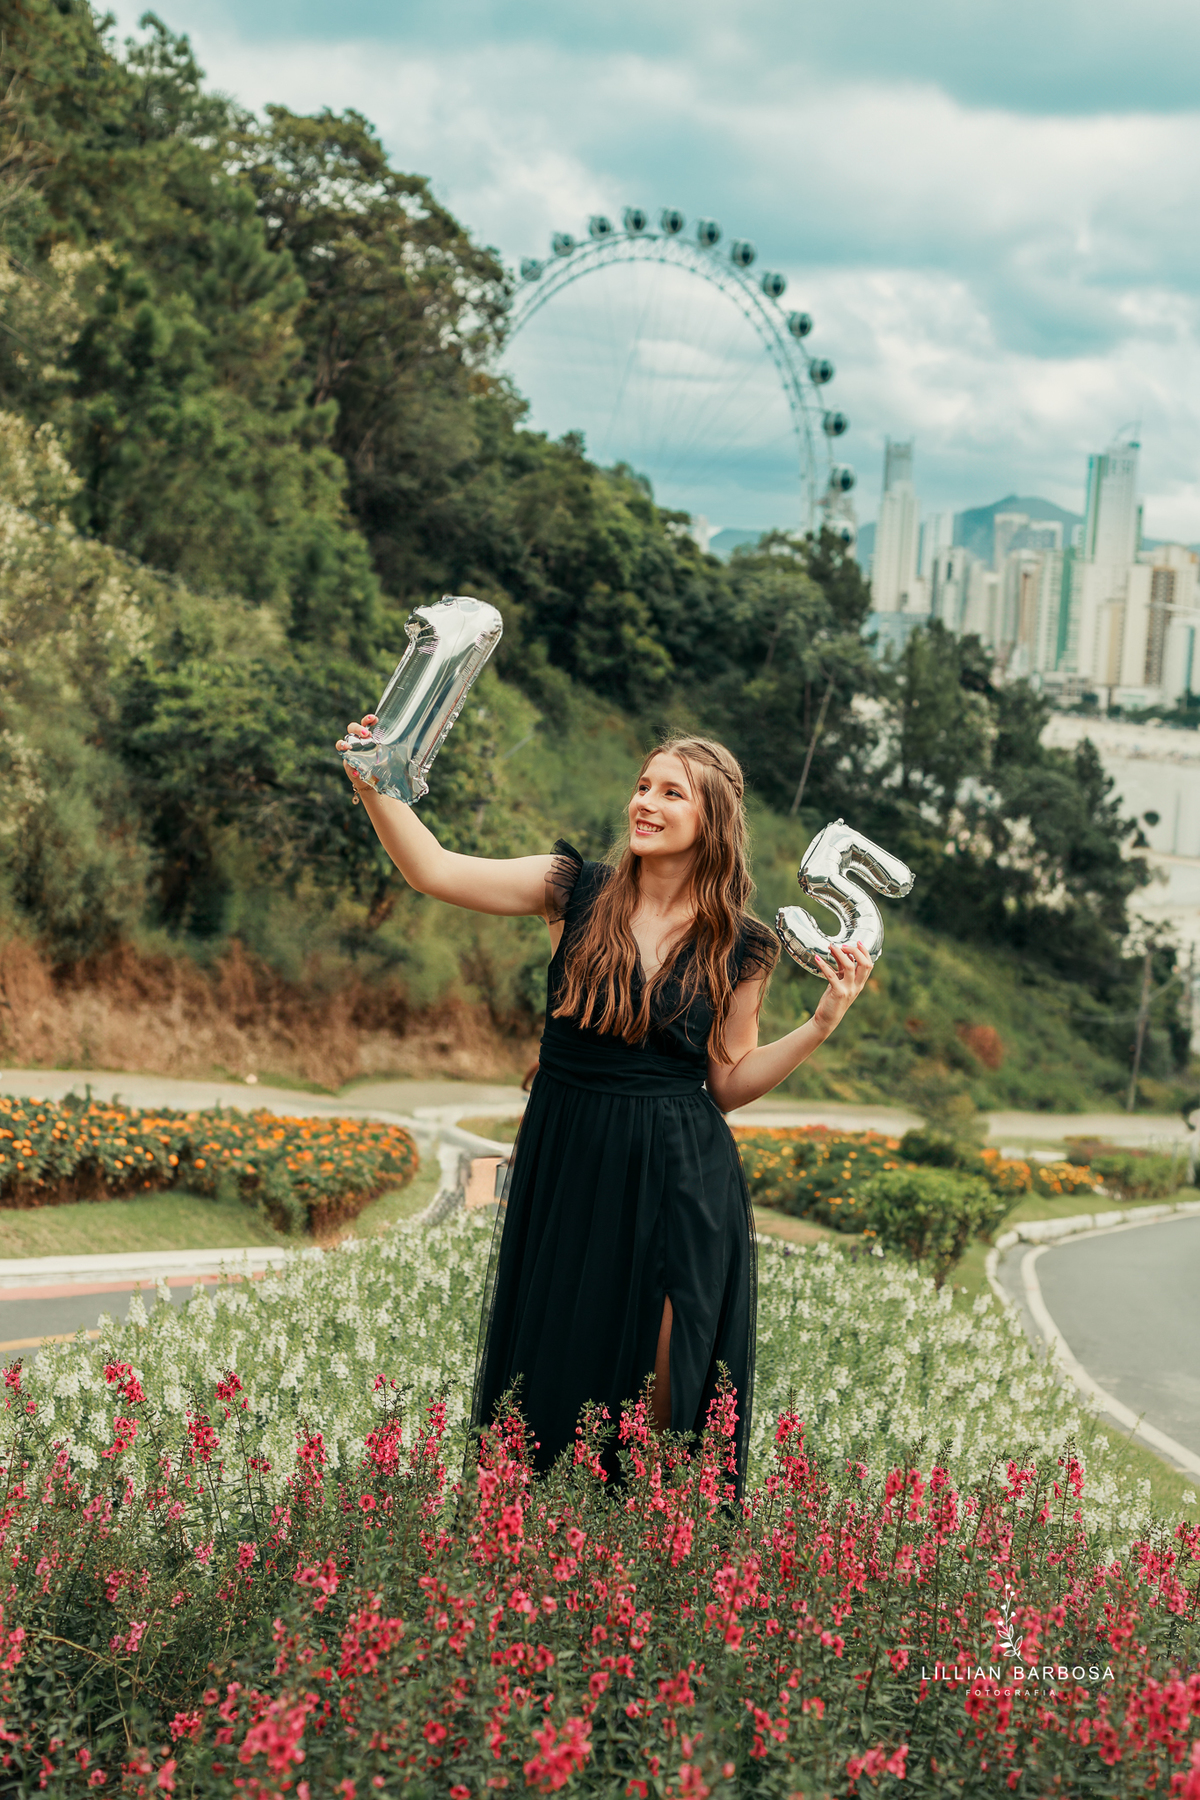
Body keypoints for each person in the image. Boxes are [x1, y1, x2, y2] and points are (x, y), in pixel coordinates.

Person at [336, 726, 873, 1492]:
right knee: (556, 1368)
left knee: (667, 1386)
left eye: (670, 792)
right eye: (643, 786)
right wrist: (371, 781)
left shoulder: (744, 945)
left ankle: (643, 1570)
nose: (644, 803)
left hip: (683, 1175)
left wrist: (820, 1024)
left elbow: (726, 1082)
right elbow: (433, 869)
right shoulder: (573, 889)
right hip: (571, 1159)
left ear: (712, 818)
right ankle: (539, 1558)